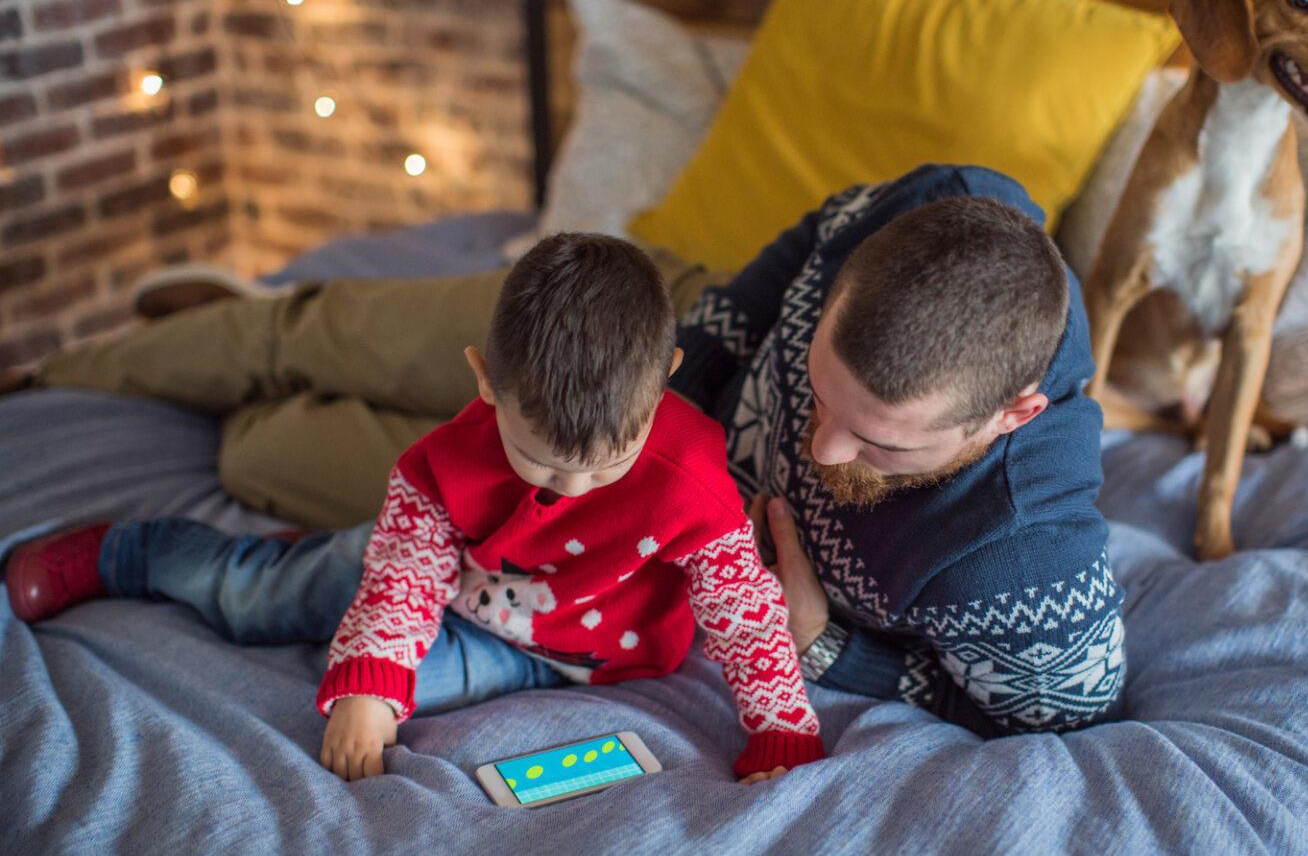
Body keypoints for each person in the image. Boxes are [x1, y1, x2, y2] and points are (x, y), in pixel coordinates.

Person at [9, 163, 1126, 737]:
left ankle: (240, 395)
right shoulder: (935, 206)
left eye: (877, 444)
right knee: (323, 326)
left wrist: (826, 649)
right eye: (822, 389)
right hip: (621, 357)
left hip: (616, 520)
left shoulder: (1022, 569)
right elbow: (803, 235)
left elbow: (1044, 717)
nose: (817, 444)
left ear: (1009, 418)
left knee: (264, 462)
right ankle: (82, 365)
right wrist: (651, 387)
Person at [6, 233, 825, 784]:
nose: (570, 492)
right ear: (481, 380)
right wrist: (368, 677)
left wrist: (780, 727)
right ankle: (133, 551)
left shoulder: (691, 476)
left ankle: (316, 564)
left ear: (667, 377)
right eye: (540, 460)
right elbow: (404, 574)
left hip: (565, 651)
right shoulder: (444, 464)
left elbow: (746, 614)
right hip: (447, 578)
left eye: (606, 465)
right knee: (259, 603)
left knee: (403, 695)